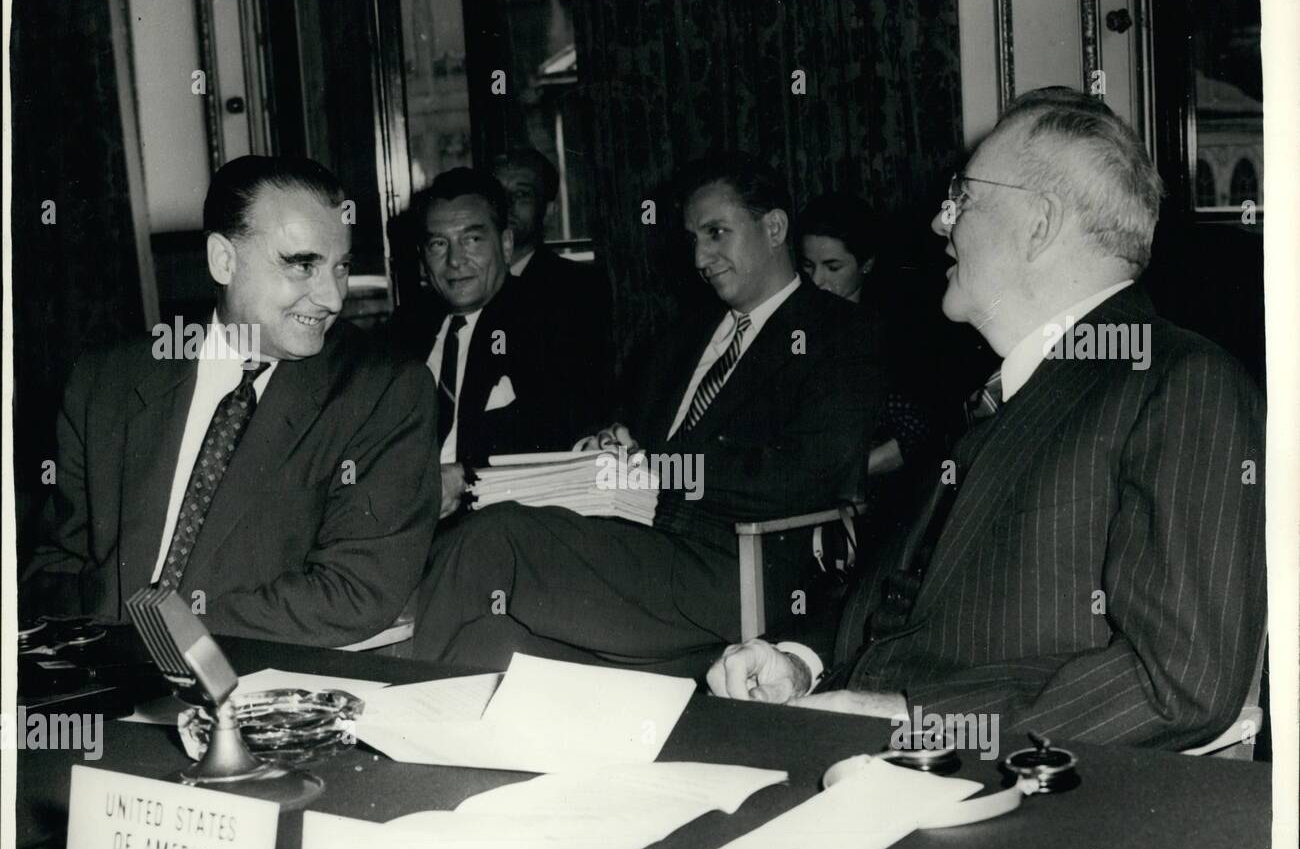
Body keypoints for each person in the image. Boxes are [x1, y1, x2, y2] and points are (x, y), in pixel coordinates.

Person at [708, 87, 1267, 750]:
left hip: (1006, 790)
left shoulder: (1182, 383)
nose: (941, 224)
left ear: (1040, 222)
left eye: (962, 199)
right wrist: (799, 661)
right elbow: (906, 599)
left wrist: (909, 716)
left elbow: (1180, 680)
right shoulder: (999, 392)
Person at [412, 151, 888, 675]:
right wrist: (609, 444)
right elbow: (633, 435)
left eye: (716, 233)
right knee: (490, 640)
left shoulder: (842, 333)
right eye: (693, 239)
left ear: (773, 227)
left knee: (491, 538)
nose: (701, 258)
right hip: (639, 543)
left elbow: (811, 475)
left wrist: (656, 465)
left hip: (741, 565)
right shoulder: (682, 337)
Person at [22, 155, 440, 647]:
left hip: (263, 680)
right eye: (302, 265)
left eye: (340, 267)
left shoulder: (383, 390)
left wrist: (158, 638)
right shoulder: (106, 383)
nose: (331, 297)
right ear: (223, 260)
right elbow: (56, 565)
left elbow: (355, 591)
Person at [387, 168, 588, 519]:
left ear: (506, 244)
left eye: (472, 240)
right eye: (439, 244)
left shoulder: (549, 321)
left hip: (495, 522)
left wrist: (466, 474)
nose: (454, 261)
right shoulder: (406, 328)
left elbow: (560, 430)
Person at [798, 192, 935, 476]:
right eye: (808, 266)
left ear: (867, 264)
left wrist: (841, 475)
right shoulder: (797, 328)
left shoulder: (891, 334)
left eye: (833, 267)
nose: (817, 281)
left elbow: (915, 433)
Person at [492, 147, 617, 432]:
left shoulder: (577, 287)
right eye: (497, 194)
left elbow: (575, 400)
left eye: (522, 194)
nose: (507, 205)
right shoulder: (459, 285)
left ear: (548, 210)